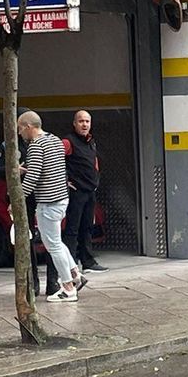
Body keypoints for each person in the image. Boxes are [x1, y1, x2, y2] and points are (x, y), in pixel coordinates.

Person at [18, 110, 84, 302]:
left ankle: (68, 288)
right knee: (57, 241)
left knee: (53, 246)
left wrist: (18, 198)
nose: (20, 133)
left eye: (21, 129)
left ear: (29, 127)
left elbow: (33, 177)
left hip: (48, 202)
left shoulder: (36, 145)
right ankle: (75, 274)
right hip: (62, 198)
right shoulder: (54, 140)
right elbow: (49, 168)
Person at [62, 110, 106, 273]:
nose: (84, 124)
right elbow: (55, 161)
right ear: (74, 123)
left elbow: (94, 162)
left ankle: (88, 261)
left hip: (90, 192)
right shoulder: (67, 142)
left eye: (87, 121)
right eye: (81, 121)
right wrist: (64, 181)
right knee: (72, 229)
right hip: (76, 193)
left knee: (87, 227)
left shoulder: (91, 142)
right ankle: (71, 264)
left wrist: (96, 179)